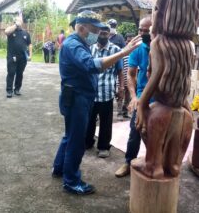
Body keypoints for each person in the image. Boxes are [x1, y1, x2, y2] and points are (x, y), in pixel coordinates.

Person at [52, 10, 141, 195]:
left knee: (70, 136)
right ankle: (71, 181)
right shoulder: (73, 45)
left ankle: (59, 168)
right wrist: (123, 53)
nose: (98, 34)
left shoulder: (79, 42)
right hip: (77, 98)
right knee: (76, 141)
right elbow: (92, 65)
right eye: (94, 29)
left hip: (78, 96)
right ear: (82, 27)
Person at [115, 17, 152, 177]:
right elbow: (130, 74)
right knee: (135, 132)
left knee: (158, 133)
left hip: (161, 99)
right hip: (142, 97)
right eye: (140, 30)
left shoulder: (163, 48)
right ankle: (129, 163)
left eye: (146, 30)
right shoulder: (137, 49)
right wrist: (134, 97)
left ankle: (156, 162)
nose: (143, 33)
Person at [85, 27, 124, 158]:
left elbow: (120, 71)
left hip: (107, 92)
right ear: (97, 33)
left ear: (109, 34)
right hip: (91, 92)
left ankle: (103, 147)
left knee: (106, 122)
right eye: (101, 33)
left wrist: (121, 88)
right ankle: (87, 142)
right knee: (89, 120)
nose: (103, 35)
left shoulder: (115, 50)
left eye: (105, 33)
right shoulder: (89, 48)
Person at [4, 18, 32, 98]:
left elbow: (29, 44)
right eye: (17, 20)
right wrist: (16, 25)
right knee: (11, 73)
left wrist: (30, 55)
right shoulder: (11, 30)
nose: (19, 22)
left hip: (22, 57)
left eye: (20, 21)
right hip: (12, 56)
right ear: (14, 22)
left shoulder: (25, 33)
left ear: (22, 22)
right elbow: (6, 32)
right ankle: (9, 91)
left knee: (20, 74)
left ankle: (17, 89)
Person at [117, 33, 135, 118]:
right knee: (120, 95)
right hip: (122, 77)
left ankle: (125, 112)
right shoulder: (122, 51)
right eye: (128, 40)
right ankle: (119, 113)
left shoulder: (135, 52)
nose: (129, 42)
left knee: (128, 96)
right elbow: (120, 67)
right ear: (125, 41)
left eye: (131, 40)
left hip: (130, 78)